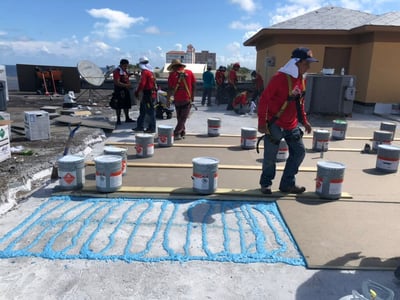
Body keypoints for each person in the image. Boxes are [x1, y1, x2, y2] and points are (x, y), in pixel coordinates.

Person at [258, 47, 317, 195]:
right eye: (306, 63)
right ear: (296, 63)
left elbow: (300, 103)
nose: (308, 67)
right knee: (270, 158)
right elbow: (264, 100)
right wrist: (261, 123)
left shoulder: (301, 80)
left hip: (291, 124)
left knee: (299, 152)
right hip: (275, 124)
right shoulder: (279, 78)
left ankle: (287, 184)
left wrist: (304, 121)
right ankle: (266, 184)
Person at [166, 59, 196, 140]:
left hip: (177, 99)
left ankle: (181, 132)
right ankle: (177, 133)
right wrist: (192, 97)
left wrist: (167, 100)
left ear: (174, 66)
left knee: (180, 117)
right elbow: (194, 86)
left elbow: (169, 89)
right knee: (182, 118)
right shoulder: (189, 73)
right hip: (187, 98)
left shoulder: (172, 75)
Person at [134, 57, 157, 133]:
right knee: (143, 110)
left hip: (147, 95)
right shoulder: (151, 72)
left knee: (150, 112)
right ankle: (140, 126)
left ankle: (152, 128)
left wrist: (137, 92)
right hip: (151, 94)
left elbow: (142, 84)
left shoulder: (145, 72)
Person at [112, 59, 135, 125]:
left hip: (125, 90)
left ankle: (127, 118)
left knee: (126, 105)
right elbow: (117, 82)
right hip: (119, 91)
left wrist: (131, 74)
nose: (126, 67)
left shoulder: (124, 71)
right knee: (118, 105)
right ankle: (118, 120)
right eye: (125, 66)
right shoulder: (117, 71)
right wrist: (126, 85)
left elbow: (126, 76)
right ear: (121, 65)